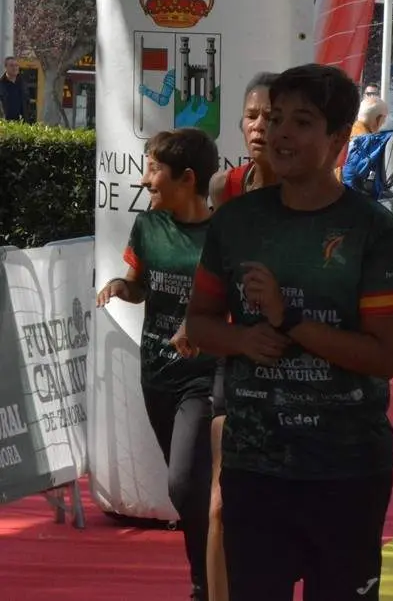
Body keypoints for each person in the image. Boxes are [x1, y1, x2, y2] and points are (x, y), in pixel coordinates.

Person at [185, 64, 393, 601]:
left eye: (301, 122)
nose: (280, 133)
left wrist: (289, 321)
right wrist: (241, 340)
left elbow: (383, 356)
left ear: (338, 139)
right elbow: (198, 323)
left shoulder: (373, 229)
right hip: (255, 467)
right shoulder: (235, 222)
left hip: (347, 469)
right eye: (276, 117)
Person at [96, 128, 220, 601]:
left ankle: (206, 586)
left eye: (153, 170)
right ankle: (206, 580)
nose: (146, 181)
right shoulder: (148, 226)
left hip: (204, 378)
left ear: (187, 179)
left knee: (186, 482)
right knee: (188, 495)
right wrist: (120, 287)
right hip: (156, 376)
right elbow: (140, 284)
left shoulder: (221, 235)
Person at [201, 71, 280, 601]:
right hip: (235, 357)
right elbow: (209, 269)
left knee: (282, 509)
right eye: (252, 117)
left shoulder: (320, 197)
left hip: (299, 361)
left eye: (273, 119)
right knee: (221, 503)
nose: (260, 128)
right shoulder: (223, 187)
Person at [209, 73, 281, 209]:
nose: (258, 126)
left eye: (270, 117)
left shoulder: (307, 192)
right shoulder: (223, 186)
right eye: (251, 116)